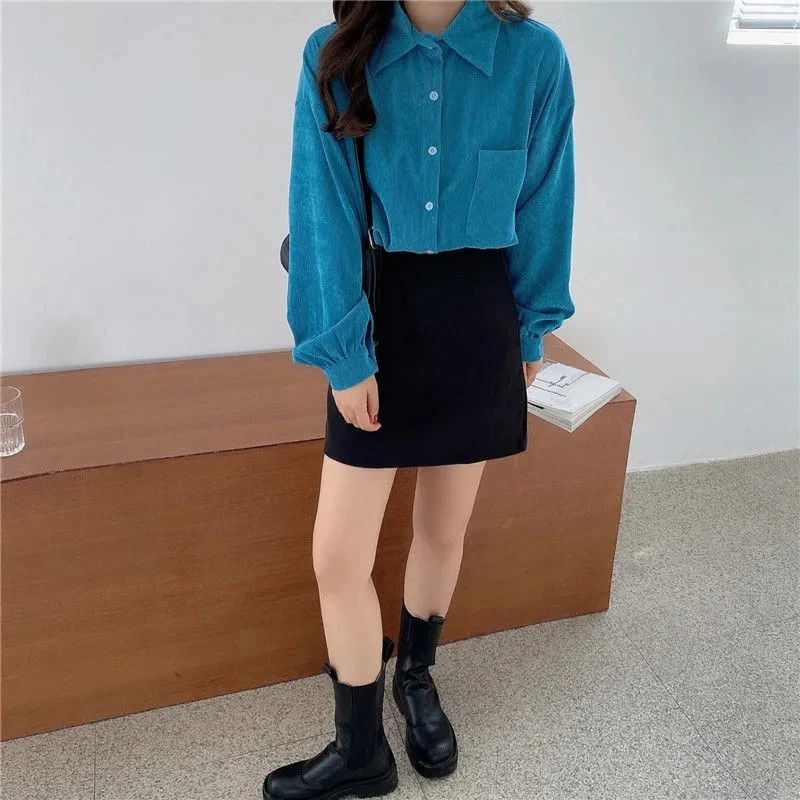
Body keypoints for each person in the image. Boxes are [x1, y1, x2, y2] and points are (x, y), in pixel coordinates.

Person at [264, 0, 575, 798]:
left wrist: (531, 332)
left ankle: (416, 679)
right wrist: (342, 354)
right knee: (338, 555)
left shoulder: (534, 57)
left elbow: (546, 201)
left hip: (478, 320)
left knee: (443, 529)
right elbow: (322, 211)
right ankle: (360, 749)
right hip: (378, 317)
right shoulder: (335, 55)